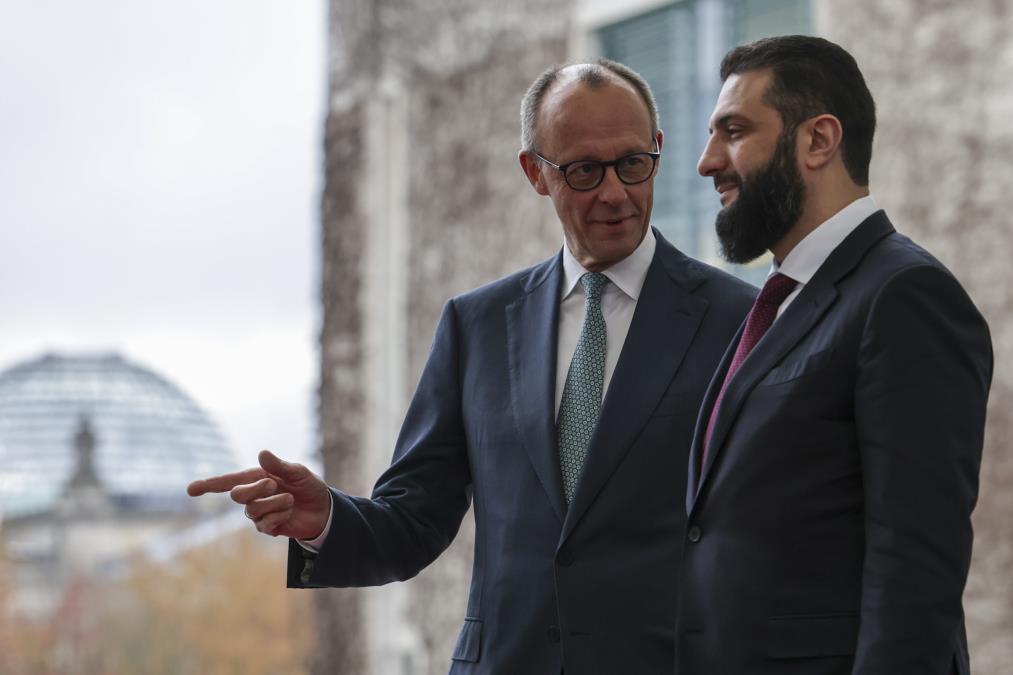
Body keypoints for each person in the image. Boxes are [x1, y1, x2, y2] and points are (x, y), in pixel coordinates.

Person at [187, 59, 755, 674]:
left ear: (659, 151)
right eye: (585, 171)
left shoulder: (740, 321)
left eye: (633, 164)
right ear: (536, 173)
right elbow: (412, 520)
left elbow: (769, 535)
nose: (616, 192)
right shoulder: (476, 325)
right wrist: (327, 520)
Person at [676, 35, 993, 675]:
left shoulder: (905, 295)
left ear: (819, 140)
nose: (708, 162)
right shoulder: (776, 301)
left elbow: (915, 571)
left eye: (734, 131)